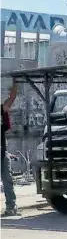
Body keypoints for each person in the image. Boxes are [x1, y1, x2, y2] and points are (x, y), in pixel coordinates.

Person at [1, 79, 19, 216]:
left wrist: (16, 82)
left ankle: (11, 207)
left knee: (8, 180)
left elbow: (12, 98)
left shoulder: (1, 109)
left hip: (2, 151)